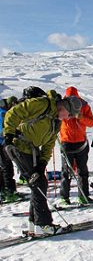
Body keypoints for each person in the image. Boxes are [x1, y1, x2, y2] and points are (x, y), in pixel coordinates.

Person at [3, 90, 82, 235]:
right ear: (64, 106)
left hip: (32, 152)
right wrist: (8, 135)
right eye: (69, 114)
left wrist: (42, 164)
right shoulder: (42, 104)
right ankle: (43, 224)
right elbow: (13, 113)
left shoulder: (56, 122)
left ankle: (35, 223)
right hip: (18, 146)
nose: (68, 118)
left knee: (39, 183)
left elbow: (49, 144)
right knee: (39, 185)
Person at [59, 86, 93, 205]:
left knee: (82, 171)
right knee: (67, 171)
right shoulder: (61, 106)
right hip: (67, 142)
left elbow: (91, 123)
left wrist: (80, 117)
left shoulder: (84, 106)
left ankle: (83, 196)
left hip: (80, 143)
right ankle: (64, 198)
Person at [0, 96, 18, 202]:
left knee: (5, 166)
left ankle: (5, 190)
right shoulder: (3, 113)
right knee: (7, 166)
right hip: (2, 142)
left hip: (2, 142)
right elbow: (4, 129)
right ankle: (9, 192)